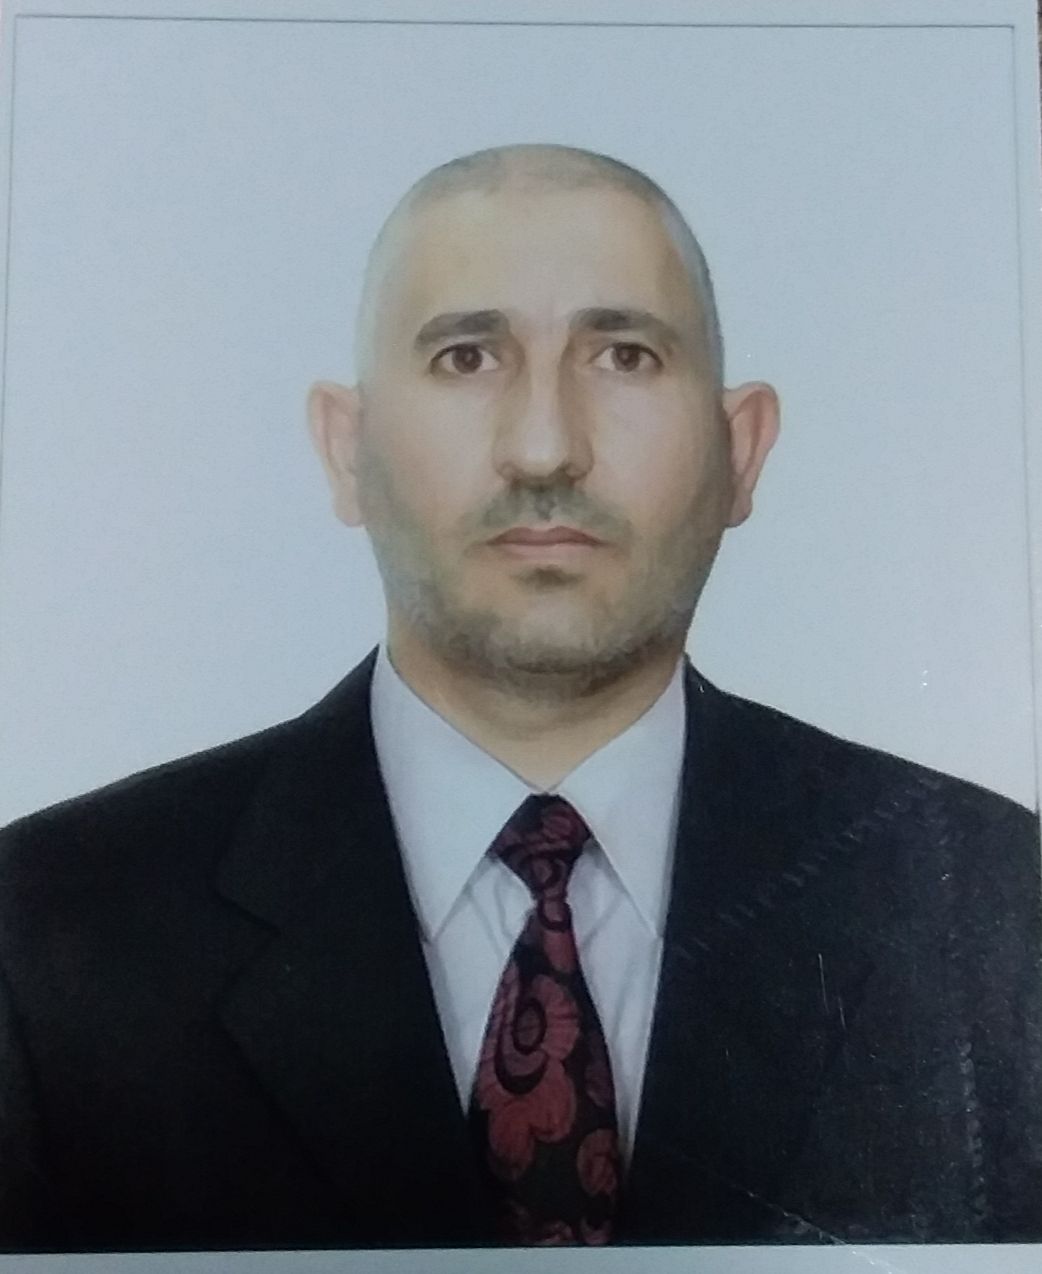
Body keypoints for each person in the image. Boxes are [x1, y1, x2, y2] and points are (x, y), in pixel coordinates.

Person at [0, 143, 1039, 1252]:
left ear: (741, 451)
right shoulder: (49, 930)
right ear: (345, 449)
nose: (545, 448)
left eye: (625, 355)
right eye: (466, 357)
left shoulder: (988, 899)